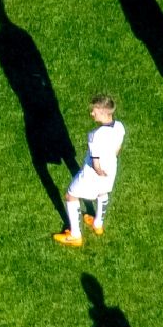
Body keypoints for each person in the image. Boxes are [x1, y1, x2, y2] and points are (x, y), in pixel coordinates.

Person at [54, 95, 125, 246]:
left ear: (103, 111)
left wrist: (99, 172)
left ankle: (75, 236)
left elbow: (96, 163)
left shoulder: (95, 135)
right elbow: (117, 150)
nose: (92, 114)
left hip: (93, 173)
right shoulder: (120, 126)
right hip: (111, 168)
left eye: (94, 111)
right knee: (102, 192)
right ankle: (98, 225)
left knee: (70, 196)